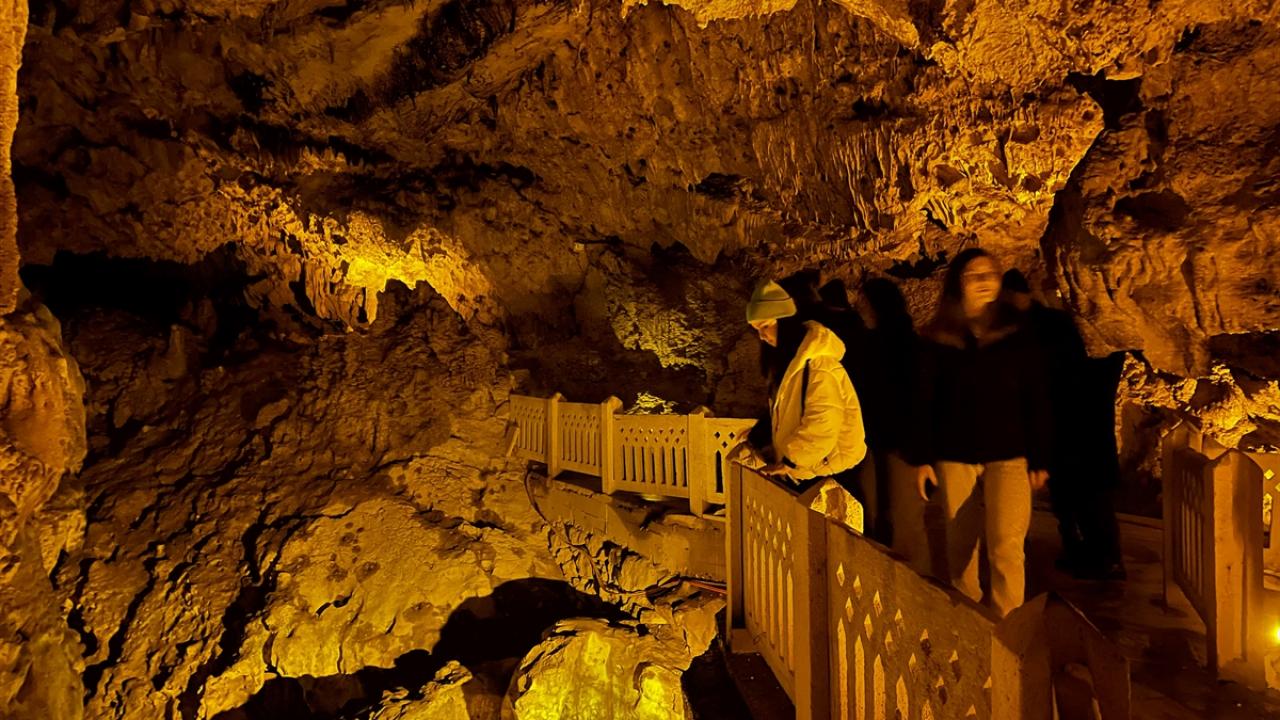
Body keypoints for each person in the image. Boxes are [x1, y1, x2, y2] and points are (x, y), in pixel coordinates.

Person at [904, 249, 1052, 617]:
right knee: (960, 545)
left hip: (1009, 451)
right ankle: (967, 618)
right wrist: (922, 458)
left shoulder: (1017, 334)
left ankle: (1008, 624)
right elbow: (923, 401)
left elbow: (1036, 395)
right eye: (975, 275)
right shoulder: (937, 339)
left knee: (1006, 545)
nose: (985, 281)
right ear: (958, 283)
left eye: (991, 273)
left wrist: (1040, 455)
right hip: (955, 453)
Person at [1001, 270, 1125, 580]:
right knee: (1080, 496)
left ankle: (1102, 557)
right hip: (1077, 421)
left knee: (1085, 496)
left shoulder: (1038, 327)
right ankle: (1093, 554)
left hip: (1071, 421)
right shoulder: (1054, 324)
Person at [745, 280, 868, 486]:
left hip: (831, 471)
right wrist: (758, 436)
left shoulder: (819, 366)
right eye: (756, 329)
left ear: (785, 322)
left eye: (765, 326)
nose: (762, 336)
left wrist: (790, 462)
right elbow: (789, 409)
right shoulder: (792, 365)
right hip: (810, 466)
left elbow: (822, 422)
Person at [860, 277, 932, 576]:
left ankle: (917, 585)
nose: (860, 309)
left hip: (902, 447)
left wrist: (921, 453)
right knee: (881, 518)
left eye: (864, 303)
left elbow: (920, 398)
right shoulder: (876, 343)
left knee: (905, 524)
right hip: (879, 443)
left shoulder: (904, 346)